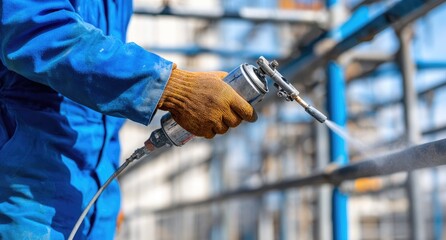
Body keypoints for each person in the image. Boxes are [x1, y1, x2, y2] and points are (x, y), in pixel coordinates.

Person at [0, 0, 257, 239]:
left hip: (93, 197)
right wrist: (174, 88)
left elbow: (99, 118)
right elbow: (37, 31)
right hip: (25, 185)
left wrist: (106, 201)